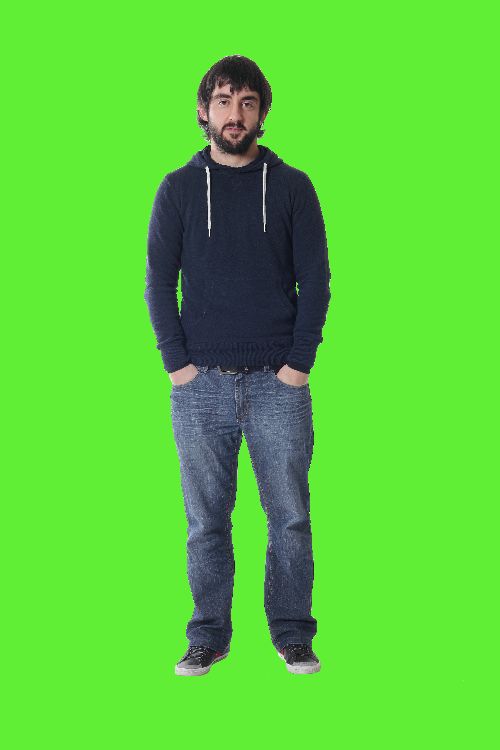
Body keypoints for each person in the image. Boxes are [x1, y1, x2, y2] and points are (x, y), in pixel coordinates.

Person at [144, 55, 332, 676]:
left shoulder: (293, 187)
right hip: (199, 386)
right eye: (223, 101)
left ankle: (293, 633)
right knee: (205, 523)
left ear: (262, 113)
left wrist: (298, 365)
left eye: (247, 102)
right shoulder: (176, 189)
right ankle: (208, 634)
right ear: (203, 111)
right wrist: (177, 366)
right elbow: (157, 283)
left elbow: (316, 281)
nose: (235, 114)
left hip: (280, 384)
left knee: (291, 518)